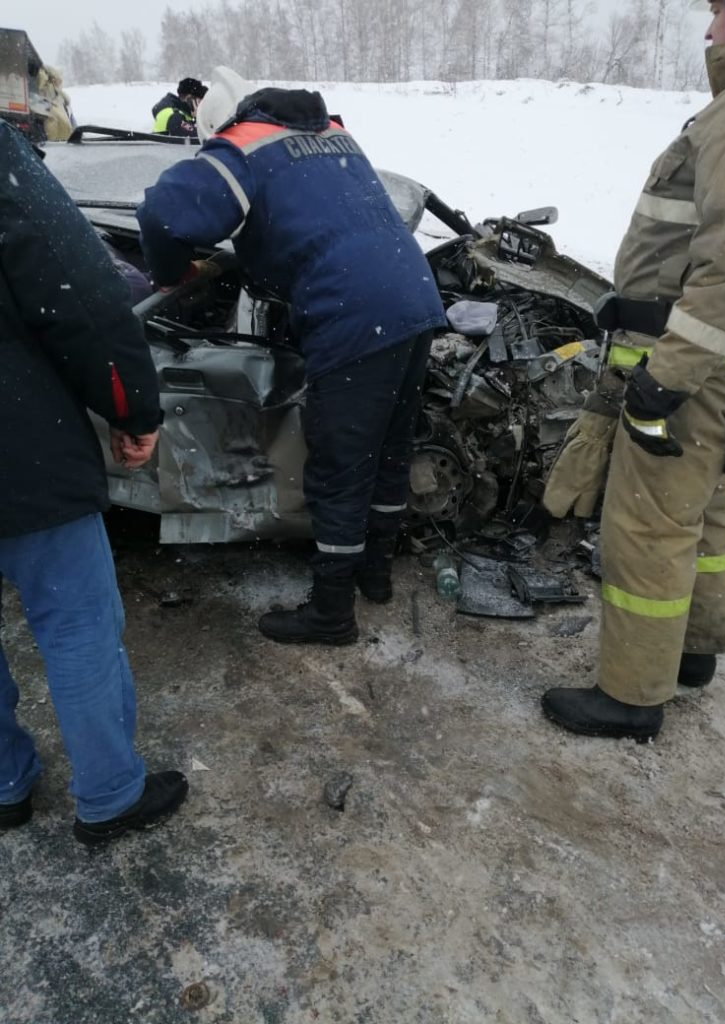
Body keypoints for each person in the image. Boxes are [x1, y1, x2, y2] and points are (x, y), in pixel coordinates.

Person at [138, 85, 446, 645]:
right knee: (389, 451)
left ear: (218, 125)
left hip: (352, 312)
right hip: (412, 298)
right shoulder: (329, 133)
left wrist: (171, 274)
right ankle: (375, 577)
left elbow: (162, 216)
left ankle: (331, 615)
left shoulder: (238, 149)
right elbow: (318, 215)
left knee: (340, 468)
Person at [541, 0, 725, 742]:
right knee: (699, 511)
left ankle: (631, 695)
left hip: (704, 365)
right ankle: (694, 651)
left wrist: (668, 373)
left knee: (646, 524)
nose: (711, 30)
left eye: (723, 13)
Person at [0, 121, 188, 843]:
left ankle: (5, 784)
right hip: (18, 452)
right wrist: (131, 408)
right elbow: (78, 296)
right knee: (75, 625)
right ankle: (110, 795)